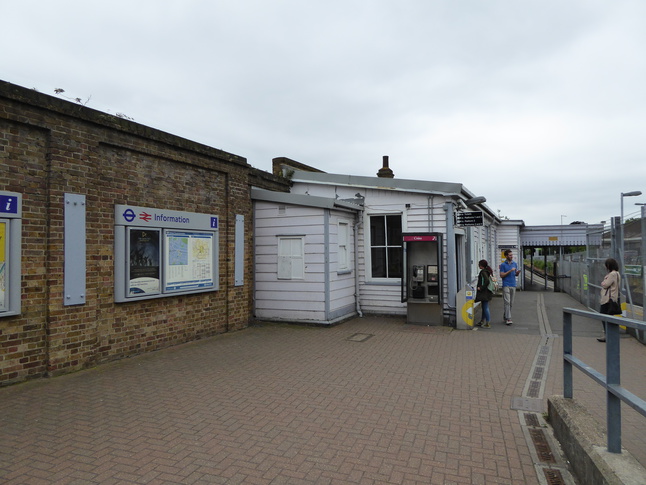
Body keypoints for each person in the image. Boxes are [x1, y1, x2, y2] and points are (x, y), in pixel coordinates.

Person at [597, 257, 621, 343]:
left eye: (606, 265)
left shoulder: (612, 274)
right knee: (609, 317)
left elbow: (605, 284)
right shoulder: (617, 273)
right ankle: (609, 335)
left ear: (609, 266)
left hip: (608, 299)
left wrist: (603, 282)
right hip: (612, 298)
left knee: (603, 316)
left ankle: (607, 335)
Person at [499, 249, 520, 325]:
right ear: (506, 256)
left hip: (513, 284)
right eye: (510, 255)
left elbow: (515, 274)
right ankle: (508, 318)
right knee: (507, 302)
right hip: (506, 284)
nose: (512, 256)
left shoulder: (515, 264)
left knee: (511, 303)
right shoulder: (503, 265)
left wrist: (517, 273)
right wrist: (510, 271)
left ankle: (506, 315)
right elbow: (501, 275)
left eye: (512, 255)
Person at [475, 259, 493, 328]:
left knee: (485, 307)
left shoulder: (483, 272)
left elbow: (487, 281)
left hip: (484, 292)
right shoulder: (487, 271)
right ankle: (482, 321)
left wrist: (481, 288)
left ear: (481, 265)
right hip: (487, 292)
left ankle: (487, 323)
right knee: (484, 306)